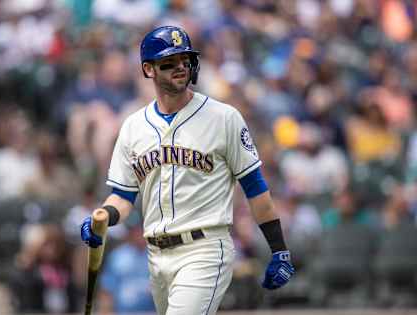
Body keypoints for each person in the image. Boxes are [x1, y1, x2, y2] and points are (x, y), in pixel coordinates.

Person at [81, 25, 295, 315]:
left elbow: (255, 188)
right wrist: (104, 217)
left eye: (185, 59)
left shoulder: (224, 117)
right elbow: (123, 195)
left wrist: (279, 249)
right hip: (156, 255)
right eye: (169, 62)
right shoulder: (133, 126)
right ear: (149, 69)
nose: (180, 67)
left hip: (205, 248)